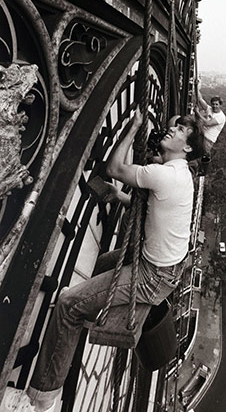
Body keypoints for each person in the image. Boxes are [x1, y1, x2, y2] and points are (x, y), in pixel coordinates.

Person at [1, 107, 204, 412]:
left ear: (187, 147)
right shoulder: (180, 175)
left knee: (68, 306)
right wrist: (120, 197)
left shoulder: (162, 174)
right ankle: (88, 313)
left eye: (179, 131)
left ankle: (38, 399)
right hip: (163, 269)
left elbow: (114, 168)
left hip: (151, 276)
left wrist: (133, 127)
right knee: (104, 264)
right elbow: (155, 208)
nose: (171, 131)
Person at [195, 84, 226, 157]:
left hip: (208, 140)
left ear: (220, 105)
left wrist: (197, 113)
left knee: (202, 156)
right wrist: (196, 87)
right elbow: (199, 98)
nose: (214, 106)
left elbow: (207, 123)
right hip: (202, 135)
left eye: (216, 104)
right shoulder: (209, 109)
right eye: (213, 104)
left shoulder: (221, 117)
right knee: (196, 153)